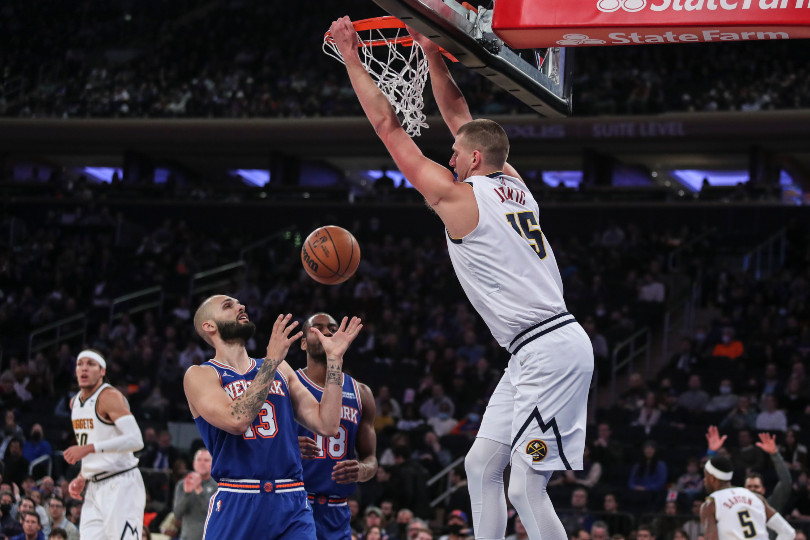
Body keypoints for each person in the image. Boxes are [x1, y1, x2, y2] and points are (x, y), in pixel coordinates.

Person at [330, 16, 594, 540]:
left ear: (474, 159)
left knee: (526, 488)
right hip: (534, 349)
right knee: (479, 466)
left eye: (455, 153)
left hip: (550, 351)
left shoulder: (458, 198)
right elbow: (460, 118)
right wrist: (430, 52)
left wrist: (352, 58)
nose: (448, 156)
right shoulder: (514, 183)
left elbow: (388, 128)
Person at [183, 295, 362, 539]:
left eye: (239, 303)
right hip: (239, 497)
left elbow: (327, 424)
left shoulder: (281, 368)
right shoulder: (201, 375)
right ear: (209, 326)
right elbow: (236, 420)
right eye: (228, 306)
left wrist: (334, 361)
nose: (240, 306)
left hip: (292, 501)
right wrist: (271, 361)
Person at [296, 312, 378, 540]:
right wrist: (287, 446)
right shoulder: (287, 385)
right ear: (303, 343)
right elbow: (260, 446)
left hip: (337, 511)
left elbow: (371, 458)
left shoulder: (361, 393)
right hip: (294, 503)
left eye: (333, 329)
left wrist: (362, 470)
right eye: (317, 328)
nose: (327, 333)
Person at [63, 349, 146, 539]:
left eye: (91, 364)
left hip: (121, 482)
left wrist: (88, 449)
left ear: (102, 371)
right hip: (94, 485)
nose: (84, 368)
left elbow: (136, 440)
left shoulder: (109, 397)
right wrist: (82, 475)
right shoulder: (75, 402)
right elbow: (93, 438)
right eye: (80, 364)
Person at [700, 456, 795, 540]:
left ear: (712, 478)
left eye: (706, 477)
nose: (704, 480)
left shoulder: (711, 505)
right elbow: (788, 532)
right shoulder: (756, 497)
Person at [172, 448, 216, 540]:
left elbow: (212, 513)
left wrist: (199, 489)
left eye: (206, 460)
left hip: (209, 537)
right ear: (194, 463)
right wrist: (187, 493)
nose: (202, 463)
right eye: (199, 460)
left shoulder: (217, 486)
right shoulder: (183, 484)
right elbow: (177, 513)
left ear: (212, 463)